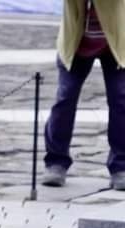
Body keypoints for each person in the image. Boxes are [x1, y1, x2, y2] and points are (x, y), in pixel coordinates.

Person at [43, 0, 124, 190]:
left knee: (121, 99)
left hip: (117, 43)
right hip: (76, 44)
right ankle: (56, 162)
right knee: (65, 98)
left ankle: (121, 166)